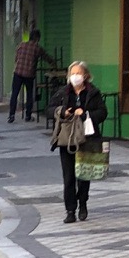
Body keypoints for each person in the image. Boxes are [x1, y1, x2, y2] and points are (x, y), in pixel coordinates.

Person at [51, 61, 110, 224]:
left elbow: (103, 112)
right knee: (68, 176)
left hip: (87, 137)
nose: (75, 76)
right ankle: (70, 210)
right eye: (72, 73)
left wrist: (85, 114)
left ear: (85, 76)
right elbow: (50, 109)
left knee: (84, 174)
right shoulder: (63, 93)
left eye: (78, 73)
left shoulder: (93, 93)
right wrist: (63, 111)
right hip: (67, 139)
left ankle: (83, 203)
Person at [8, 28, 44, 123]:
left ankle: (11, 115)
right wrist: (53, 63)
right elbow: (45, 56)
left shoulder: (21, 45)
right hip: (29, 74)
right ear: (37, 38)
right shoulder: (37, 48)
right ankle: (28, 116)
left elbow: (16, 58)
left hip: (18, 73)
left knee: (14, 94)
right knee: (29, 95)